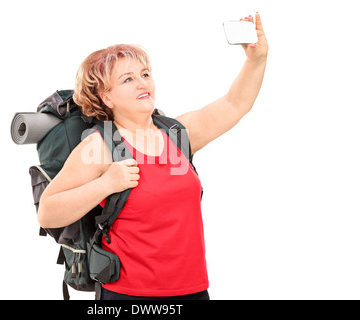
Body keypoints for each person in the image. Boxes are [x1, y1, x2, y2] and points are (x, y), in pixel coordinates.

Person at [37, 13, 268, 300]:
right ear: (107, 97)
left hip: (193, 291)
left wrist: (255, 60)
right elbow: (47, 212)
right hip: (129, 296)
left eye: (145, 74)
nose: (142, 83)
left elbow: (235, 104)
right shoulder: (100, 146)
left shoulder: (177, 134)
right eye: (128, 79)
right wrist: (106, 184)